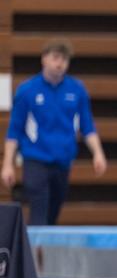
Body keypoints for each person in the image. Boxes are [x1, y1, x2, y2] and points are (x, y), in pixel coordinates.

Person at [1, 38, 107, 225]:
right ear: (44, 59)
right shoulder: (27, 90)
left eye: (64, 59)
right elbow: (14, 130)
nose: (60, 63)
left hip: (63, 161)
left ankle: (41, 251)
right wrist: (7, 164)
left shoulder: (77, 90)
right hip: (36, 159)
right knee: (39, 211)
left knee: (52, 213)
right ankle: (32, 252)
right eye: (56, 58)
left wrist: (98, 153)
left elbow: (87, 126)